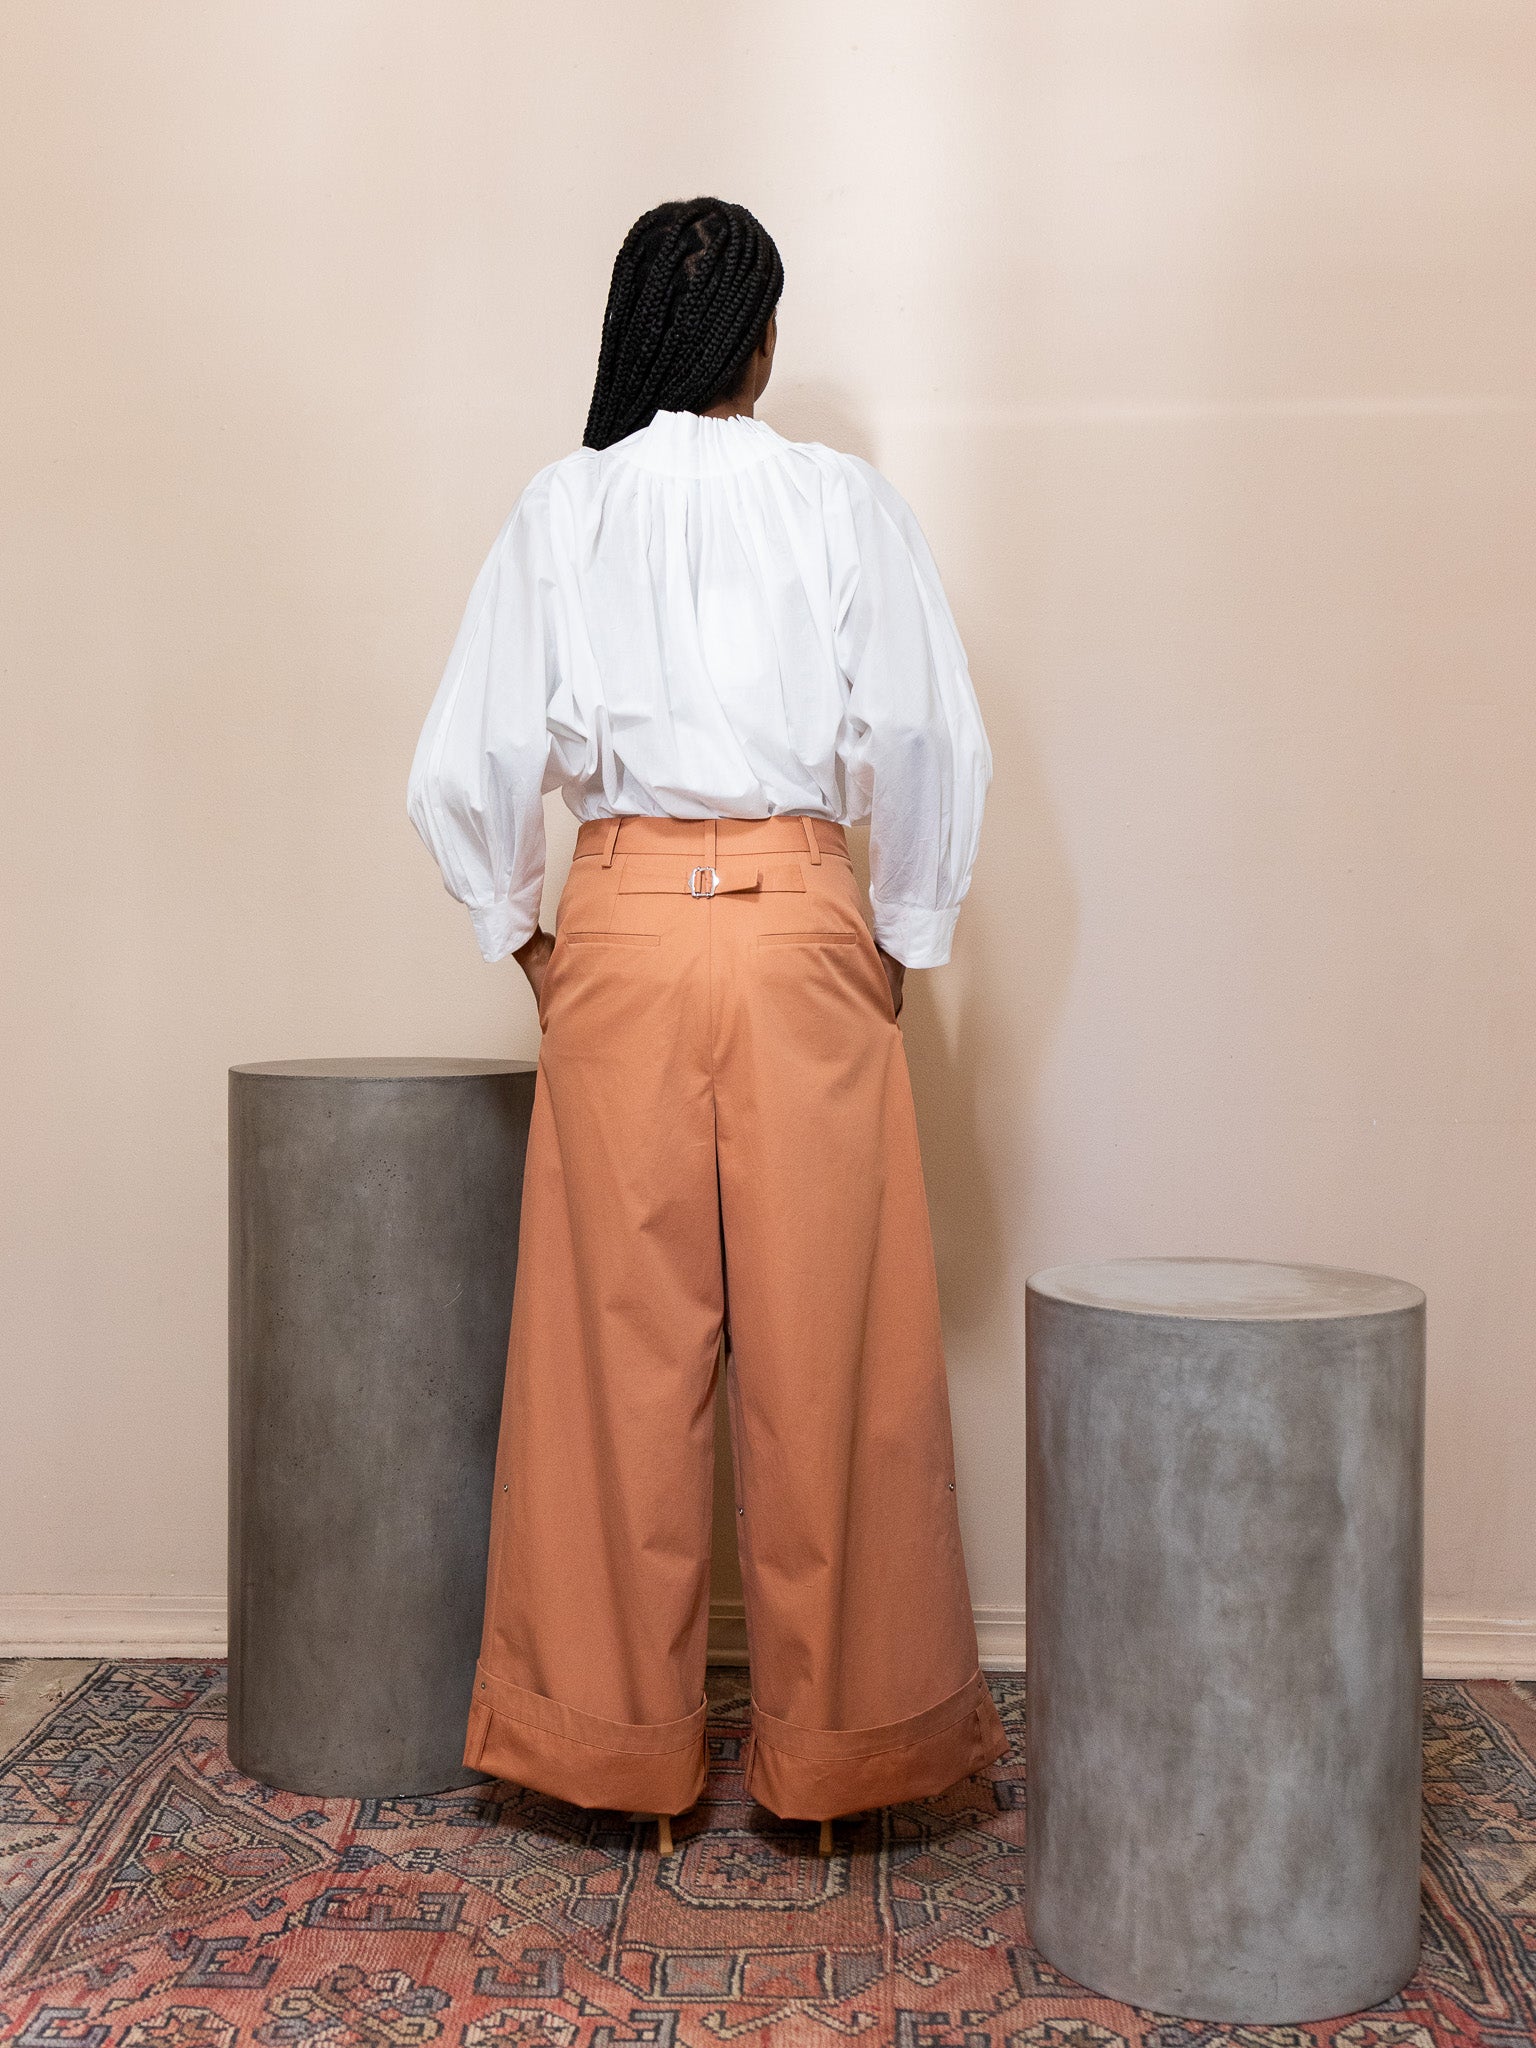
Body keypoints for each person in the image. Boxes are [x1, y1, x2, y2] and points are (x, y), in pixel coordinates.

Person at [406, 196, 1005, 1853]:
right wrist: (899, 938)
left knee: (613, 1355)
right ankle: (846, 1766)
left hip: (622, 927)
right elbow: (930, 738)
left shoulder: (565, 507)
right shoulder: (841, 501)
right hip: (804, 920)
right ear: (761, 341)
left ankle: (610, 1756)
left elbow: (463, 763)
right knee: (838, 1350)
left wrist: (527, 939)